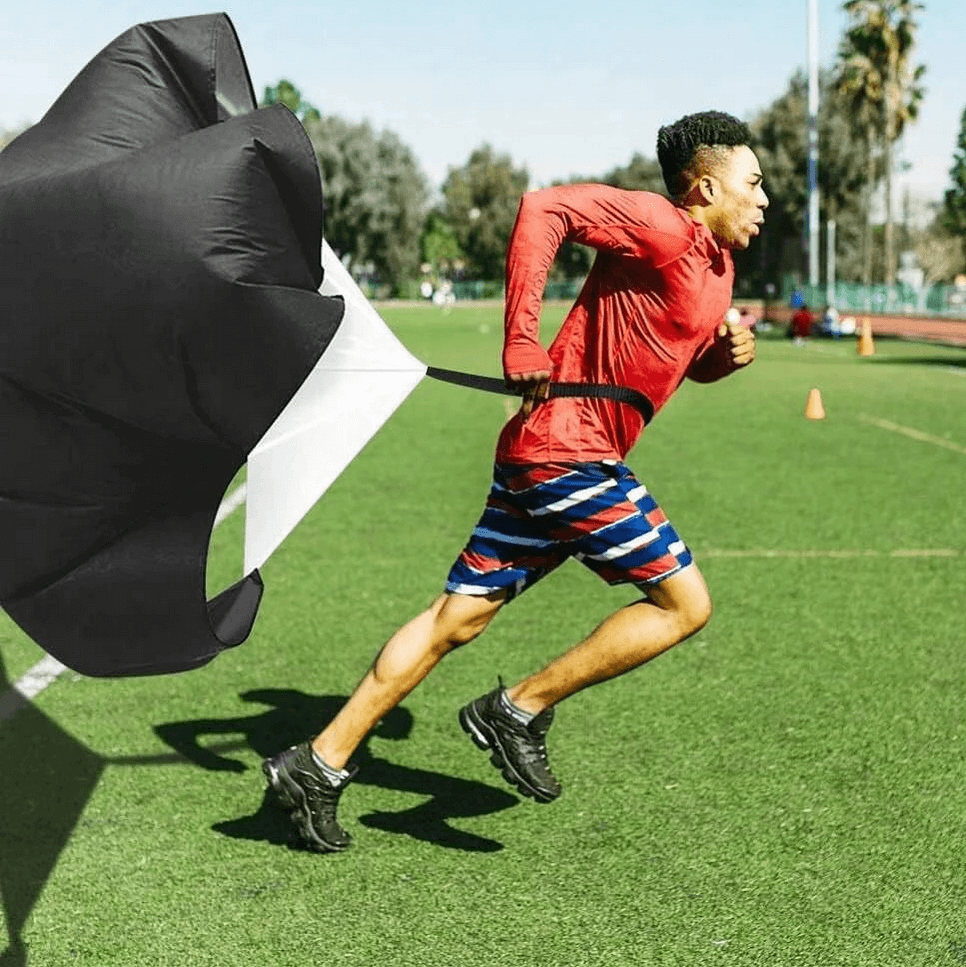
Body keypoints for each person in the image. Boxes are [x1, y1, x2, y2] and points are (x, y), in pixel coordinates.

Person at [262, 110, 768, 852]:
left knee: (453, 620)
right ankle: (519, 708)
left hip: (548, 453)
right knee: (684, 603)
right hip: (570, 454)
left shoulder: (718, 270)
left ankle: (317, 762)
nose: (763, 200)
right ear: (703, 186)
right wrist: (521, 337)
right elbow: (545, 209)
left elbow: (665, 358)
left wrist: (723, 357)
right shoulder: (662, 224)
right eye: (752, 184)